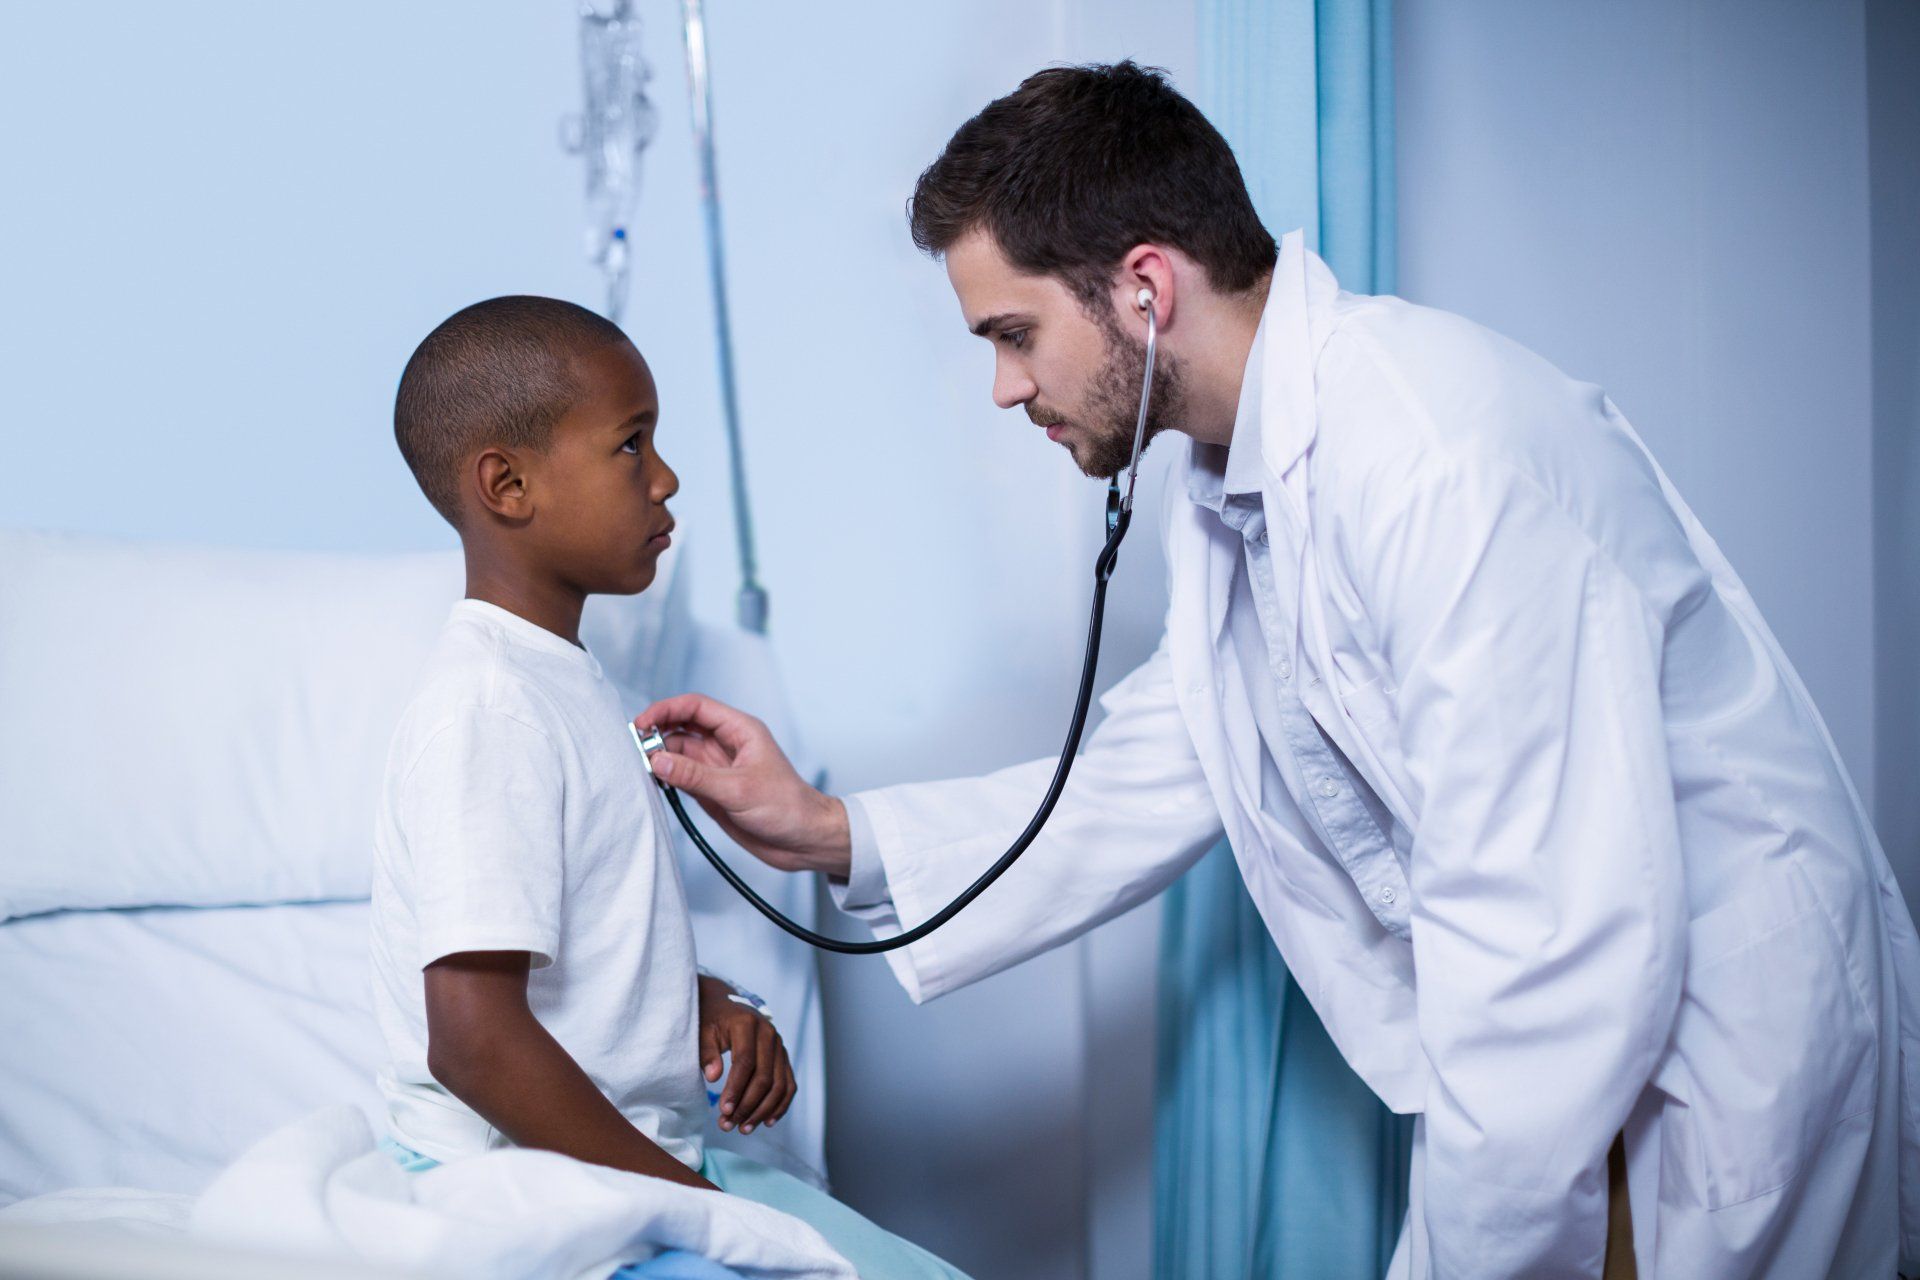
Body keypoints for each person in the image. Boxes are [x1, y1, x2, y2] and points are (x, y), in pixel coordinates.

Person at [637, 64, 1920, 1279]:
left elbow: (1543, 949)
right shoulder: (1233, 470)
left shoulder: (1436, 462)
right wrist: (825, 830)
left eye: (1015, 332)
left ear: (1144, 288)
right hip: (1580, 1051)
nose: (1003, 386)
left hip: (1701, 1037)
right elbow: (1177, 752)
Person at [373, 295, 972, 1280]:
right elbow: (473, 1040)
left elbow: (570, 937)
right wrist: (696, 1207)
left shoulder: (566, 685)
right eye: (631, 443)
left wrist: (700, 999)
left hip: (628, 1172)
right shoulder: (487, 710)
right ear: (508, 484)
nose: (666, 477)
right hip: (525, 1201)